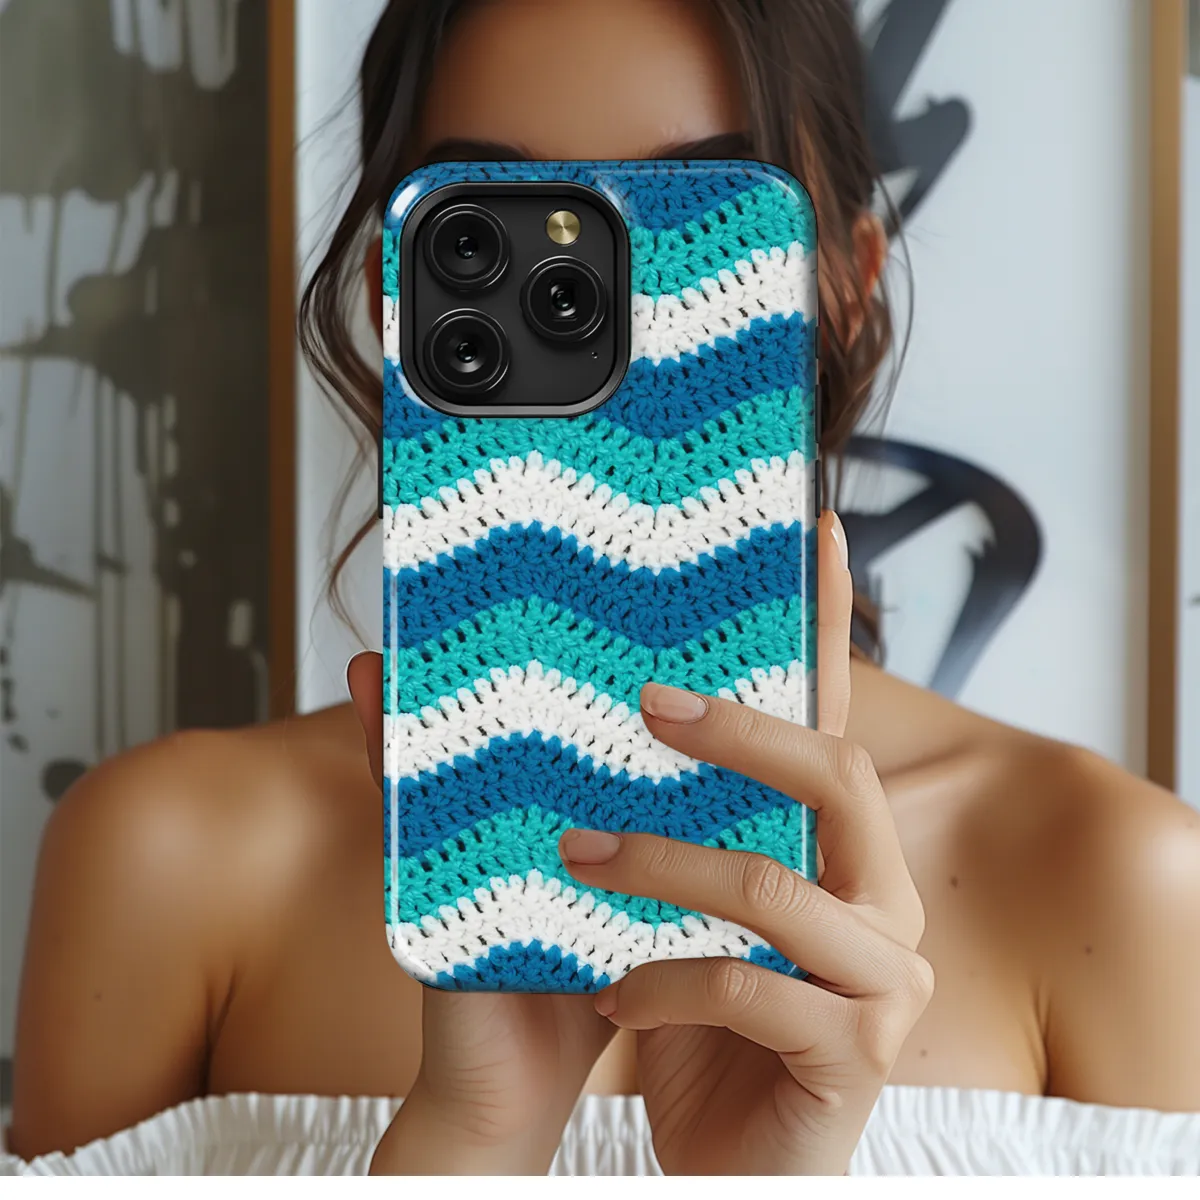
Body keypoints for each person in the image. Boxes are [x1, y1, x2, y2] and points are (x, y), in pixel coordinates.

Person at [7, 0, 1200, 1177]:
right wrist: (474, 1141)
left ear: (847, 285)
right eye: (491, 228)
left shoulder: (1116, 882)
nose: (611, 299)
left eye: (701, 219)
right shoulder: (168, 862)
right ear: (393, 295)